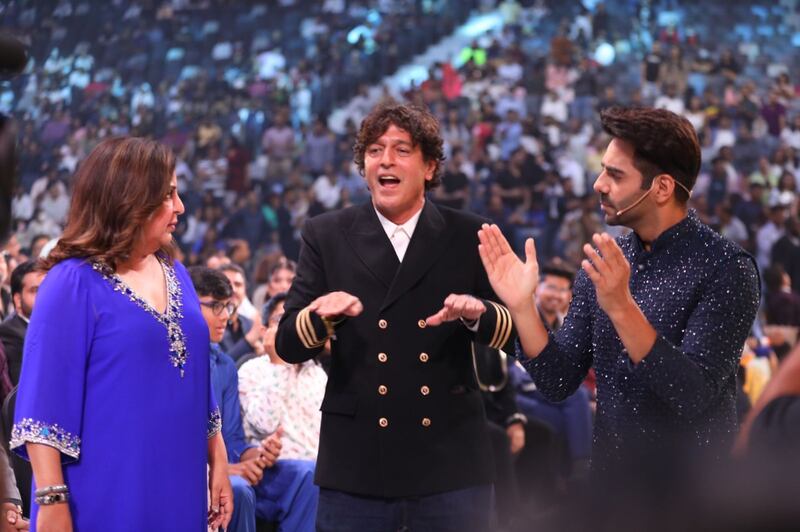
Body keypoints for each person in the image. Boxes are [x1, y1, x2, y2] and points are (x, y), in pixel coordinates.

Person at [478, 106, 760, 480]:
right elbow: (557, 380)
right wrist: (522, 308)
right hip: (612, 490)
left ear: (661, 188)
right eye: (601, 169)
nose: (598, 184)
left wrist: (622, 307)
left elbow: (692, 394)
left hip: (694, 497)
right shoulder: (607, 262)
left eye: (614, 174)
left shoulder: (727, 268)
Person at [276, 102, 515, 531]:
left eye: (402, 150)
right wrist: (318, 318)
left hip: (451, 464)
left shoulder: (470, 234)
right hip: (357, 466)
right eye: (374, 150)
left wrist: (480, 315)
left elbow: (516, 334)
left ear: (429, 167)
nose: (385, 160)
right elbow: (287, 343)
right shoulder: (325, 233)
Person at [9, 137, 232, 530]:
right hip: (102, 493)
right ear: (129, 199)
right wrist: (52, 500)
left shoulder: (175, 272)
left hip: (178, 484)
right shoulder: (70, 283)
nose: (180, 207)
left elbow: (198, 377)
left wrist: (218, 459)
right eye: (168, 195)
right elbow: (41, 405)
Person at [190, 267, 316, 532]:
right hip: (188, 468)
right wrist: (220, 469)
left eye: (228, 307)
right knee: (239, 490)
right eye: (215, 306)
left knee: (308, 474)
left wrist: (256, 455)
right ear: (188, 303)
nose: (225, 316)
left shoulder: (224, 366)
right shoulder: (169, 361)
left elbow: (233, 437)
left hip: (229, 466)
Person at [0, 260, 44, 386]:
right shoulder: (10, 334)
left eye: (48, 288)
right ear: (18, 300)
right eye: (35, 290)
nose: (44, 295)